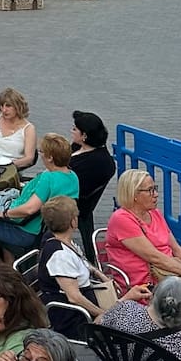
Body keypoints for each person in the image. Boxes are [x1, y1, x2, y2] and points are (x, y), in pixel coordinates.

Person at [36, 197, 150, 337]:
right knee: (138, 320)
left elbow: (84, 264)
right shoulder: (60, 256)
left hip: (88, 306)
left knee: (136, 311)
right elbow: (74, 297)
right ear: (73, 222)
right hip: (76, 317)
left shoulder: (63, 242)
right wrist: (104, 314)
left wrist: (102, 276)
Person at [0, 133, 79, 266]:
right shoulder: (72, 176)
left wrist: (3, 214)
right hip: (38, 227)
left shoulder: (48, 179)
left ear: (50, 158)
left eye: (41, 151)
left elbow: (30, 209)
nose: (40, 155)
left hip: (23, 230)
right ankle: (8, 261)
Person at [106, 168, 181, 287]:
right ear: (134, 194)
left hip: (169, 275)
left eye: (155, 188)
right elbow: (154, 257)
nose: (156, 194)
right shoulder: (121, 219)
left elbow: (176, 248)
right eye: (150, 190)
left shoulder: (155, 213)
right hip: (144, 284)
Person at [68, 110, 114, 259]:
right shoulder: (78, 146)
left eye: (75, 129)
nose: (71, 131)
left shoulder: (97, 162)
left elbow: (73, 187)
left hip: (72, 201)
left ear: (85, 135)